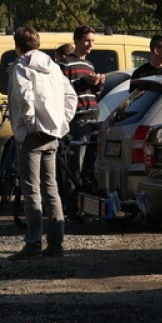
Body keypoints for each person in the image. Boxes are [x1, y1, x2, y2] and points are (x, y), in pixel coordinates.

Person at [8, 26, 77, 258]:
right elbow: (71, 97)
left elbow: (24, 98)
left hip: (32, 135)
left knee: (31, 189)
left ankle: (33, 243)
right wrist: (59, 123)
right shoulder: (54, 67)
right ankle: (56, 243)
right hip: (52, 134)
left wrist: (31, 126)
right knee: (51, 188)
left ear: (17, 46)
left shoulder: (21, 67)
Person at [60, 24, 105, 213]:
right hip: (76, 119)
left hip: (93, 116)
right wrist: (83, 82)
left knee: (89, 168)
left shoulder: (89, 65)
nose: (90, 45)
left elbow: (94, 93)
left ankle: (87, 206)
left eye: (92, 41)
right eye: (87, 40)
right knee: (74, 167)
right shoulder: (65, 63)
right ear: (76, 40)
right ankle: (71, 209)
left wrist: (98, 84)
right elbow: (62, 90)